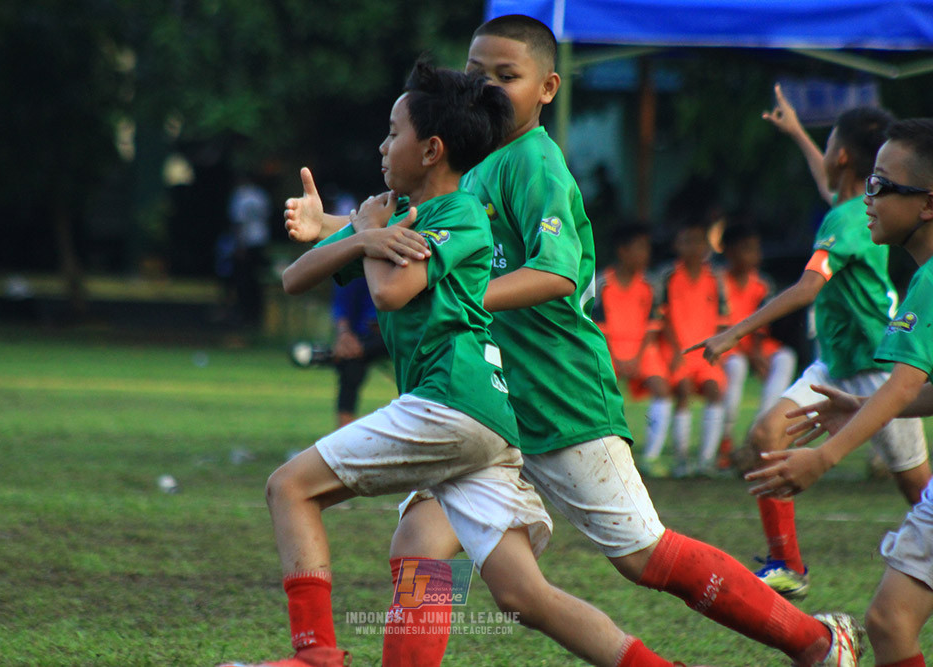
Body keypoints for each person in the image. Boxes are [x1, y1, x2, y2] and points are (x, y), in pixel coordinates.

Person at [285, 16, 861, 667]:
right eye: (478, 75)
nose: (490, 89)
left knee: (644, 555)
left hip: (558, 399)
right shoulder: (467, 170)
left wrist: (456, 295)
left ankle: (815, 640)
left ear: (548, 88)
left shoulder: (533, 161)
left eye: (508, 77)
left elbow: (554, 273)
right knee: (455, 559)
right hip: (482, 403)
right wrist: (332, 224)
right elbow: (410, 241)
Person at [222, 60, 702, 667]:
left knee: (289, 488)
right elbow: (295, 278)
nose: (381, 144)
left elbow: (390, 293)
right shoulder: (393, 218)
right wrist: (349, 233)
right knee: (519, 592)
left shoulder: (463, 216)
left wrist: (366, 238)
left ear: (430, 150)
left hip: (454, 403)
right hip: (487, 426)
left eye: (393, 132)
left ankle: (316, 655)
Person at [687, 88, 930, 601]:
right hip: (834, 366)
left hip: (880, 364)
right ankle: (787, 565)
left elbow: (805, 288)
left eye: (880, 187)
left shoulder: (851, 219)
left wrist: (733, 331)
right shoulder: (858, 210)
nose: (873, 195)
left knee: (917, 492)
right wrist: (798, 131)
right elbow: (834, 185)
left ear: (840, 156)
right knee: (765, 433)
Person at [746, 118, 933, 667]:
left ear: (926, 204)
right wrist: (855, 407)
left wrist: (824, 457)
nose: (867, 198)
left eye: (881, 186)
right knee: (889, 619)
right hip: (853, 377)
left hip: (874, 373)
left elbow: (901, 386)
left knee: (888, 621)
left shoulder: (927, 281)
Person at [649, 217, 730, 477]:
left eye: (698, 242)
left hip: (705, 352)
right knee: (682, 392)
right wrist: (674, 351)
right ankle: (682, 459)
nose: (693, 247)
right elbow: (661, 319)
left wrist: (717, 348)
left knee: (714, 391)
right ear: (677, 245)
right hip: (678, 352)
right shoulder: (667, 276)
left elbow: (722, 320)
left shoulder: (715, 278)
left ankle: (706, 460)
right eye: (687, 241)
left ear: (707, 246)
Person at [594, 222, 673, 476]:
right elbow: (597, 324)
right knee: (600, 395)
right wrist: (615, 357)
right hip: (608, 346)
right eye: (639, 248)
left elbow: (653, 326)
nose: (645, 255)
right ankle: (605, 453)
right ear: (622, 251)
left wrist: (638, 357)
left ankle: (650, 457)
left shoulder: (651, 284)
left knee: (662, 388)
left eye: (646, 249)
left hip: (642, 347)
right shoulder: (600, 282)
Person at [717, 223, 798, 470]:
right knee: (737, 366)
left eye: (755, 249)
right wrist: (752, 354)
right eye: (746, 249)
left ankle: (759, 433)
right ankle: (726, 439)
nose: (754, 255)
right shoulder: (718, 281)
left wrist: (757, 352)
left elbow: (763, 324)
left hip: (753, 342)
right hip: (727, 345)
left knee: (785, 357)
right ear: (729, 252)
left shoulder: (762, 283)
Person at [330, 278, 386, 427]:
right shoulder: (355, 264)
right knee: (349, 360)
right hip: (367, 334)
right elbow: (342, 305)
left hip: (405, 332)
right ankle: (343, 430)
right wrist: (344, 335)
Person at [228, 173, 271, 328]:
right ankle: (257, 314)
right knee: (257, 279)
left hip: (247, 242)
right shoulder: (260, 195)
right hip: (261, 240)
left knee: (243, 280)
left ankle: (245, 315)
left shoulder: (239, 196)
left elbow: (238, 223)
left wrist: (239, 246)